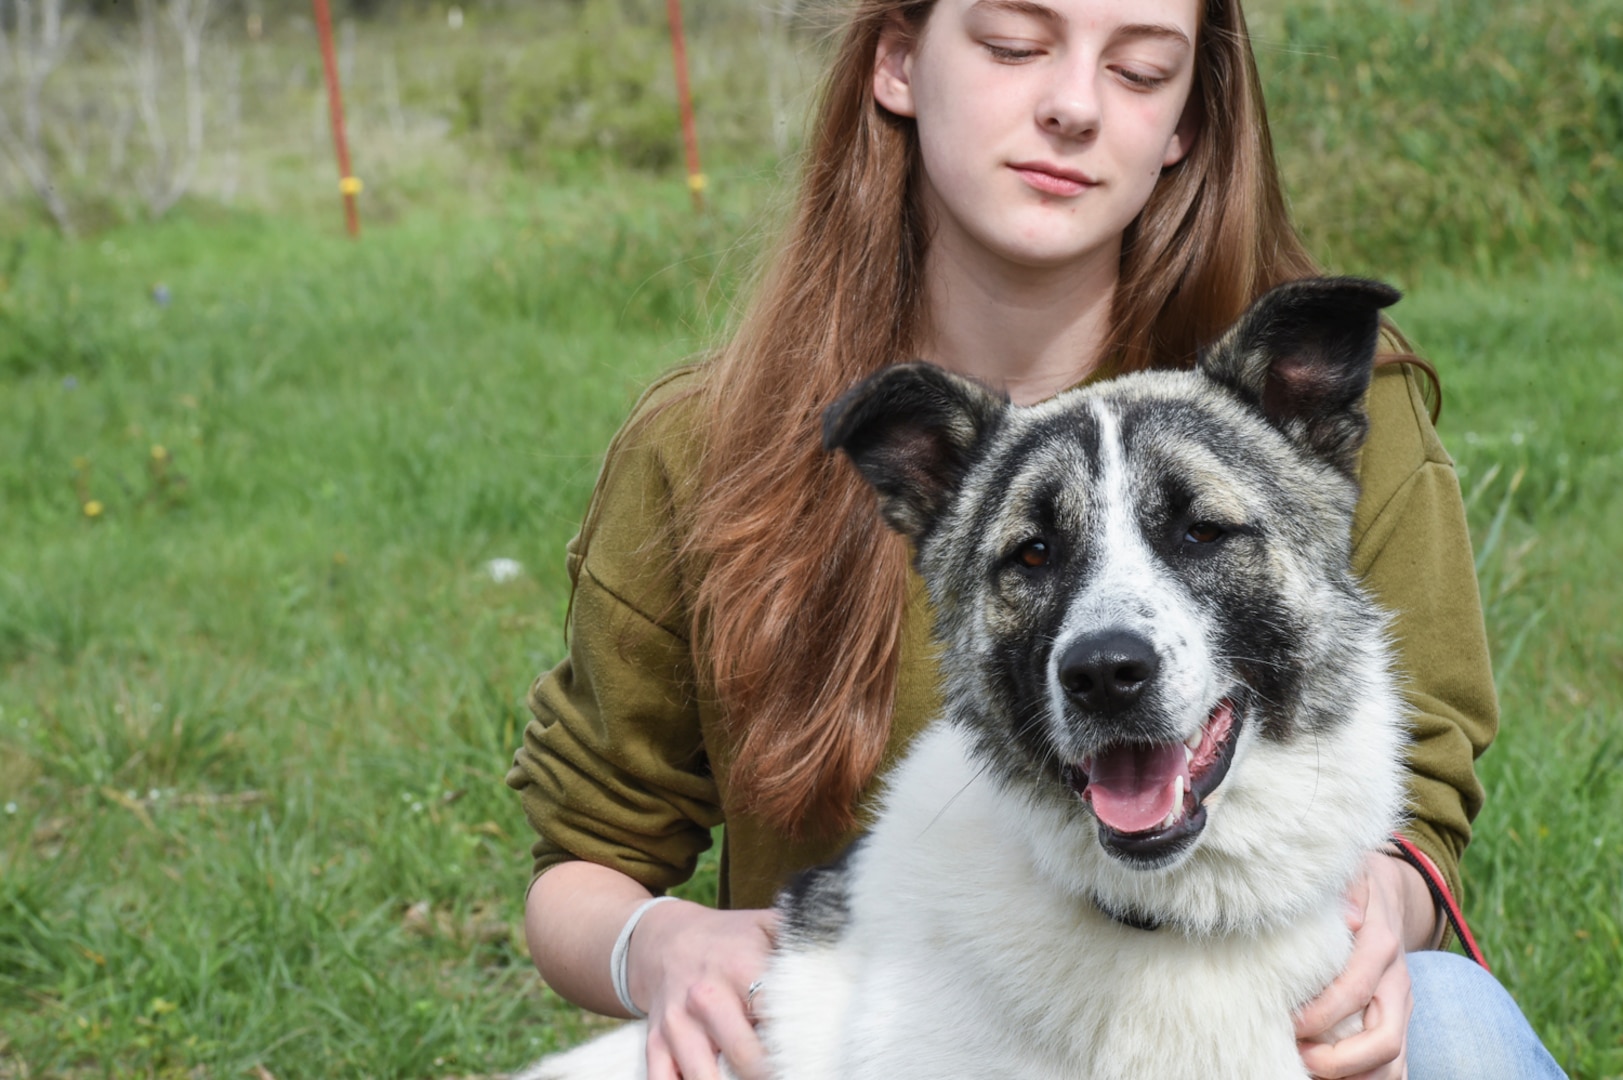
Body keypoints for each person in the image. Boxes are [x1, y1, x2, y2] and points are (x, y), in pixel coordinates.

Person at [507, 1, 1566, 1078]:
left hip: (1268, 974)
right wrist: (663, 945)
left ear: (1186, 126)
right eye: (1014, 46)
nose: (1070, 106)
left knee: (1455, 1019)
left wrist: (1381, 911)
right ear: (900, 61)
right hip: (911, 1010)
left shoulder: (1305, 413)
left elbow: (1424, 786)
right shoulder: (710, 442)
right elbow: (586, 855)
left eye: (1141, 70)